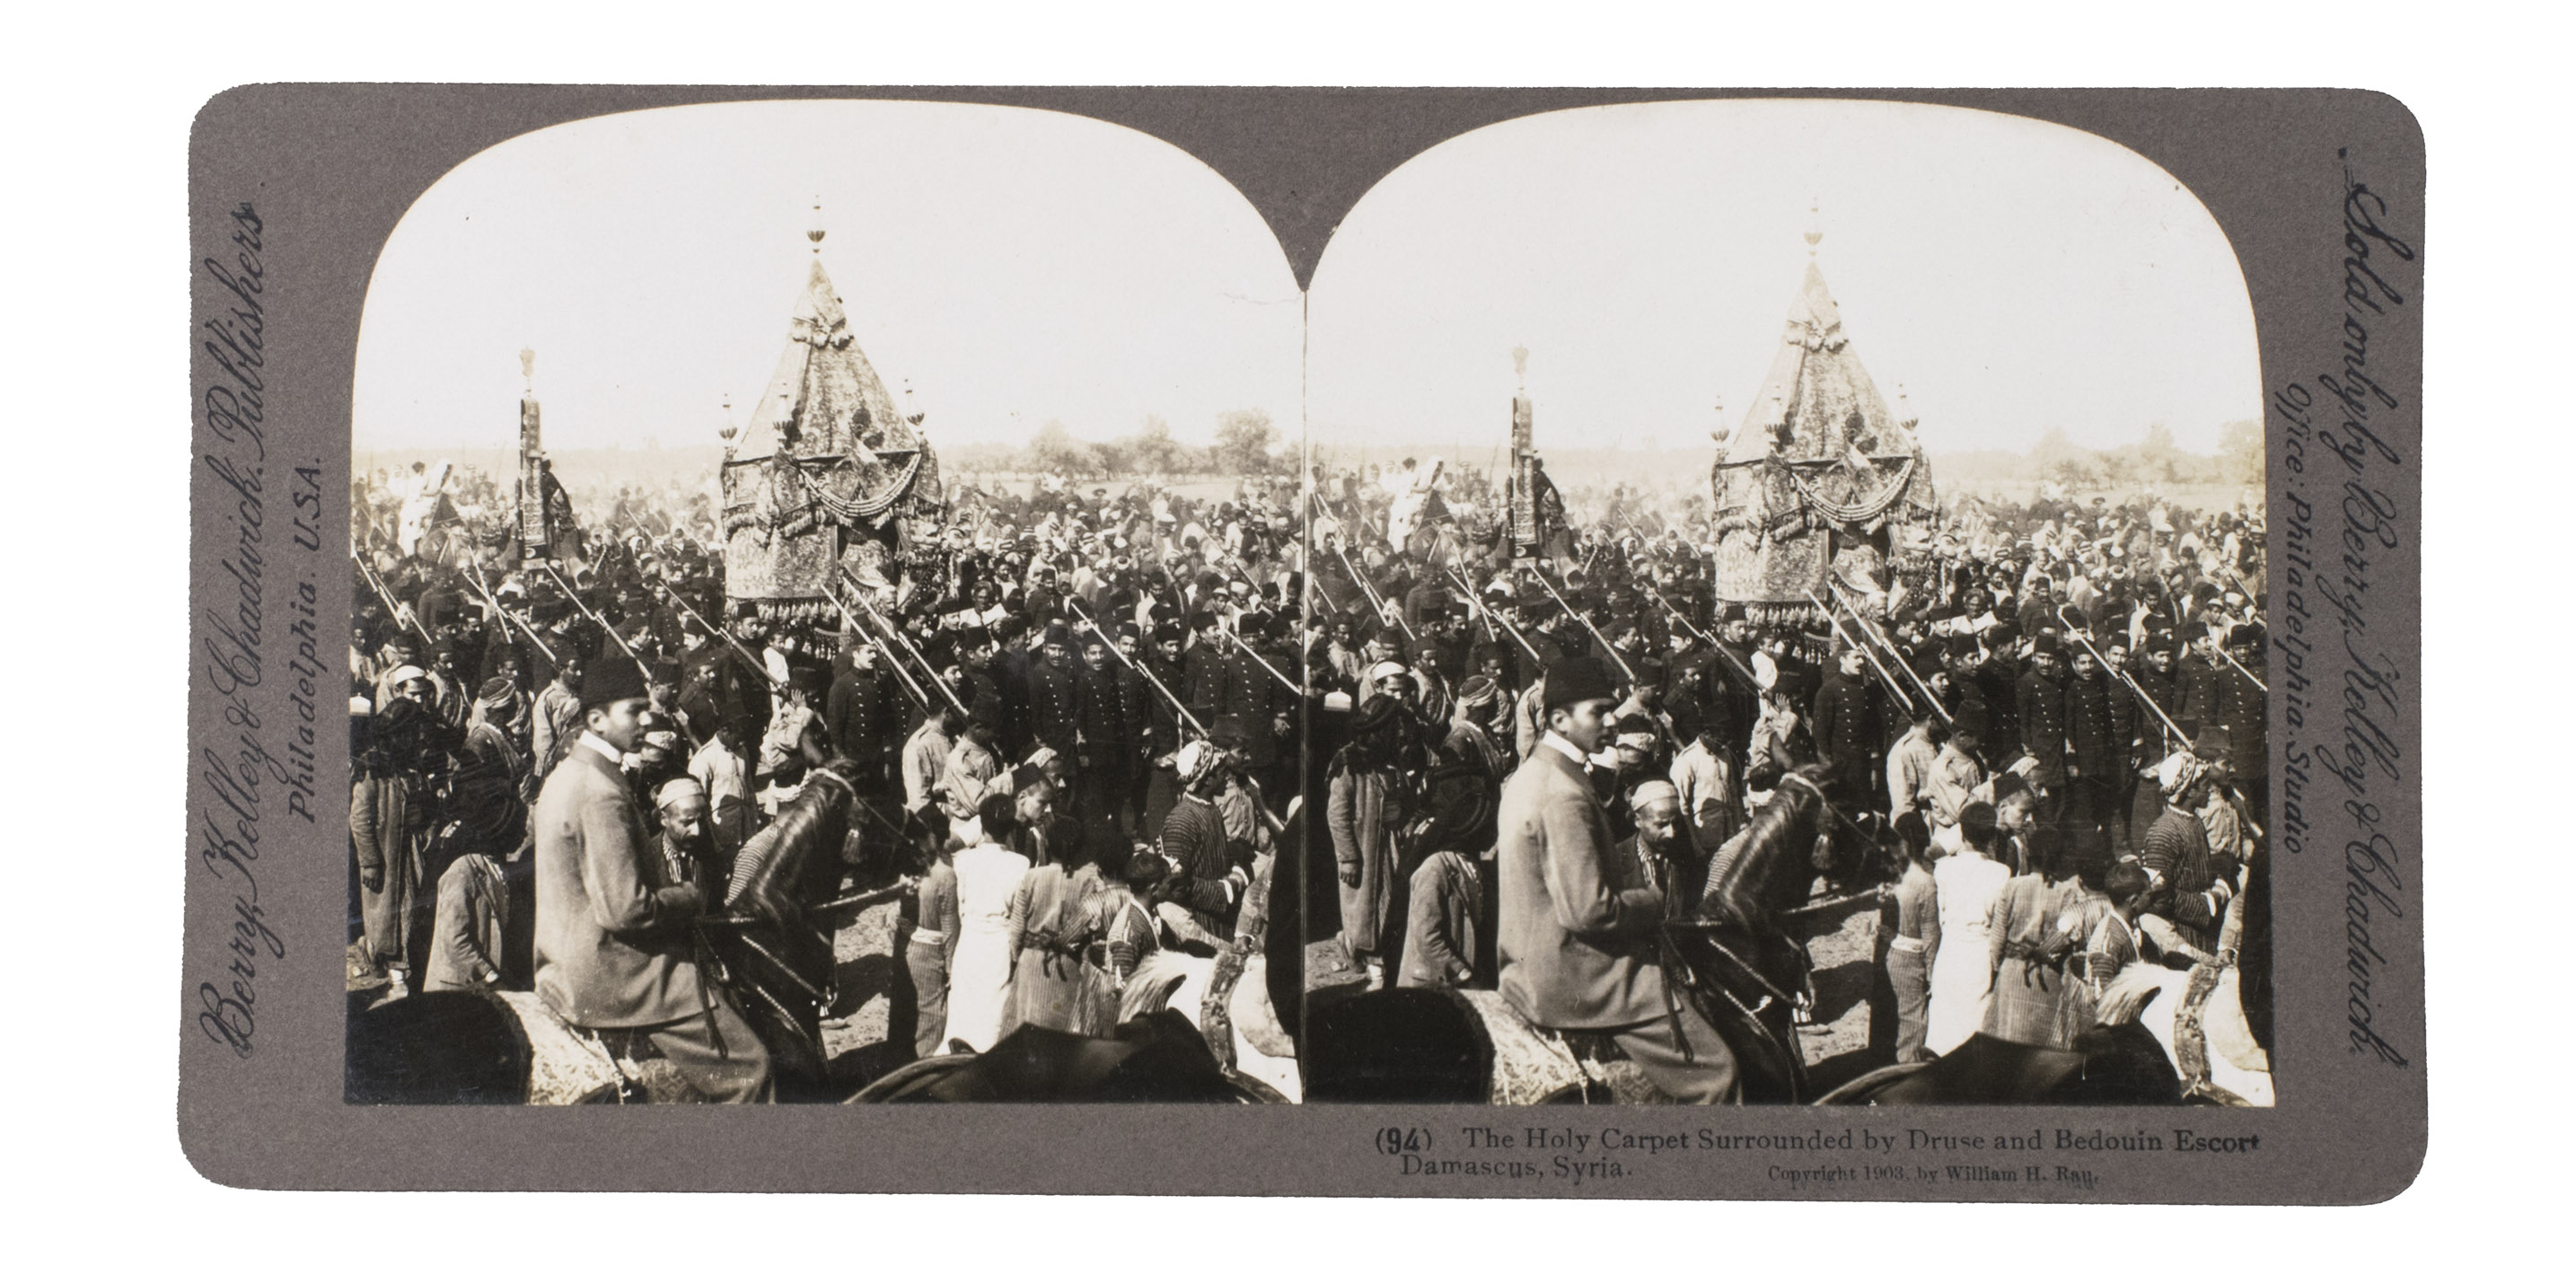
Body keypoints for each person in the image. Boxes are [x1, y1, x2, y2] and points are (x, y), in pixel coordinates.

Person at [1496, 656, 1737, 1103]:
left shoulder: (1531, 775)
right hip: (1572, 975)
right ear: (1558, 719)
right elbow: (1589, 911)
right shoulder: (1562, 794)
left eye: (1612, 709)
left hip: (1526, 962)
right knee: (1718, 1073)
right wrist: (1650, 901)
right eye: (1598, 712)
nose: (1612, 721)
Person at [532, 655, 772, 1103]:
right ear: (597, 719)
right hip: (606, 973)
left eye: (646, 707)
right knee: (751, 1068)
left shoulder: (568, 773)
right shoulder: (600, 792)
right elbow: (626, 910)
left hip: (560, 959)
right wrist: (686, 897)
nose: (646, 720)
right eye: (633, 710)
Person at [941, 792, 1033, 1053]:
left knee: (964, 1009)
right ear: (1011, 827)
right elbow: (1019, 912)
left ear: (981, 826)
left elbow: (958, 904)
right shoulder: (1021, 864)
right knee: (994, 1012)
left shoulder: (964, 861)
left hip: (970, 940)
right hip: (1000, 945)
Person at [1924, 800, 2011, 1057]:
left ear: (1961, 833)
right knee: (1975, 1018)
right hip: (1980, 953)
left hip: (1950, 949)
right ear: (1992, 835)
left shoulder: (1944, 869)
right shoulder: (2001, 872)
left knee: (1945, 1019)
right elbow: (1999, 920)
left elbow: (1939, 913)